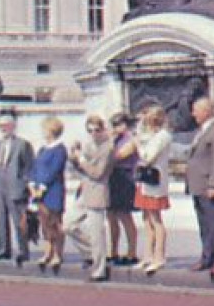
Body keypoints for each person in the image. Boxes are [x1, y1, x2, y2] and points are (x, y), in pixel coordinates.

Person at [185, 96, 214, 281]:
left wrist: (213, 184)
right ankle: (207, 257)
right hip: (198, 186)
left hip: (210, 186)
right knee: (205, 225)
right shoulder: (202, 131)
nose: (193, 114)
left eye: (196, 110)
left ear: (207, 110)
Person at [66, 115, 113, 282]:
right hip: (84, 191)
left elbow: (97, 173)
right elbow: (80, 168)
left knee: (96, 232)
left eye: (97, 130)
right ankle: (91, 254)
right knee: (69, 224)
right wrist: (74, 156)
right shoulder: (89, 146)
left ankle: (99, 270)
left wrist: (81, 159)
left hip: (98, 192)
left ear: (103, 130)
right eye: (90, 130)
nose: (93, 133)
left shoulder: (107, 148)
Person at [132, 105, 173, 274]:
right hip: (145, 182)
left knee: (156, 220)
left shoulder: (163, 136)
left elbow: (147, 157)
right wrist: (139, 126)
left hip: (155, 181)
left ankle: (159, 256)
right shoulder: (154, 135)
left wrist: (137, 146)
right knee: (146, 219)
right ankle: (148, 255)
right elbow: (143, 136)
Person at [0, 109, 34, 265]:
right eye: (0, 126)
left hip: (16, 186)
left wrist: (25, 184)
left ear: (13, 126)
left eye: (5, 125)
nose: (3, 128)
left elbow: (29, 166)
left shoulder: (22, 144)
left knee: (19, 220)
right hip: (0, 185)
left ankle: (23, 250)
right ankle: (4, 248)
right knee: (1, 219)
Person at [26, 117, 68, 274]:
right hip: (38, 190)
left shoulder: (60, 149)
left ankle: (58, 253)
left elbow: (54, 170)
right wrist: (32, 183)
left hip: (53, 190)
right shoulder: (43, 149)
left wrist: (42, 187)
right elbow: (35, 167)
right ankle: (47, 252)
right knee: (44, 223)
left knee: (55, 222)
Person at [106, 112, 141, 266]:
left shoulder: (130, 140)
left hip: (125, 177)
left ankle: (131, 251)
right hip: (113, 177)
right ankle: (113, 251)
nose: (115, 128)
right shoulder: (115, 140)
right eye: (113, 125)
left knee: (124, 215)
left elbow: (117, 156)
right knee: (111, 215)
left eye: (119, 124)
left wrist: (109, 144)